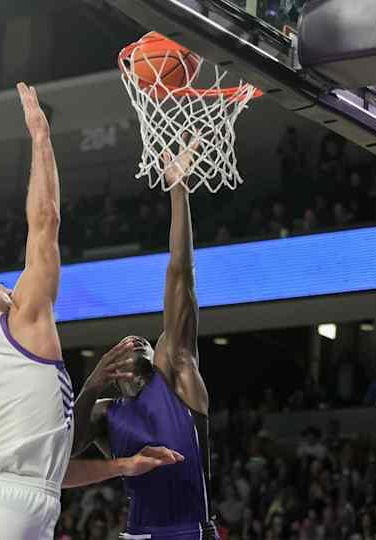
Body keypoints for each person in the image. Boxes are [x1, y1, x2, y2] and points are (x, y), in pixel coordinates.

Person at [0, 83, 178, 540]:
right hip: (16, 510)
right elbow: (45, 222)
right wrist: (41, 139)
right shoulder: (20, 321)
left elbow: (46, 465)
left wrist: (120, 465)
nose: (7, 286)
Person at [71, 136, 219, 539]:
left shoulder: (175, 373)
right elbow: (64, 452)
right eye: (123, 343)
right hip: (136, 532)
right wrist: (90, 385)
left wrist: (178, 192)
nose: (135, 340)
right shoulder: (104, 412)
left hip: (188, 531)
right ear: (111, 372)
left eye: (144, 342)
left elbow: (180, 275)